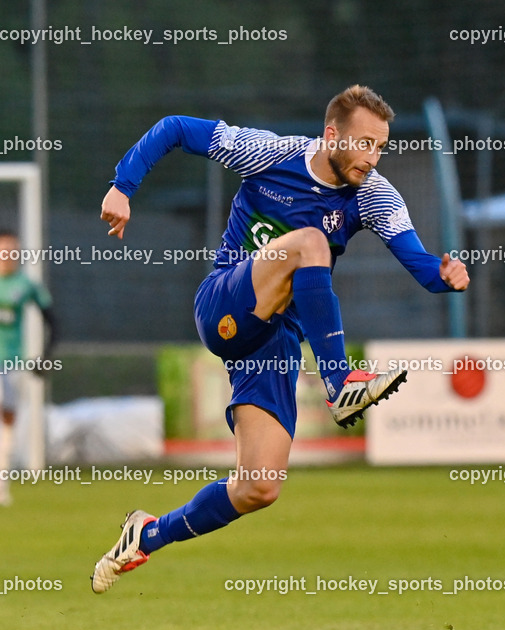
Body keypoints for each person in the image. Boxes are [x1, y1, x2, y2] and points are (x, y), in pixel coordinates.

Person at [92, 85, 469, 593]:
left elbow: (421, 266)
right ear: (331, 134)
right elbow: (177, 128)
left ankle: (145, 535)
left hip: (274, 342)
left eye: (380, 147)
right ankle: (341, 385)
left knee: (260, 486)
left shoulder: (376, 193)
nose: (372, 158)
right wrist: (123, 186)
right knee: (311, 241)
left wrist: (444, 273)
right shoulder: (271, 152)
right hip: (225, 304)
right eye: (364, 144)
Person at [0, 230, 55, 505]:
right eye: (2, 250)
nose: (6, 256)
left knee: (8, 422)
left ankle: (1, 486)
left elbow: (52, 319)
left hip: (13, 364)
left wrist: (45, 355)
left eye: (12, 250)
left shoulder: (25, 285)